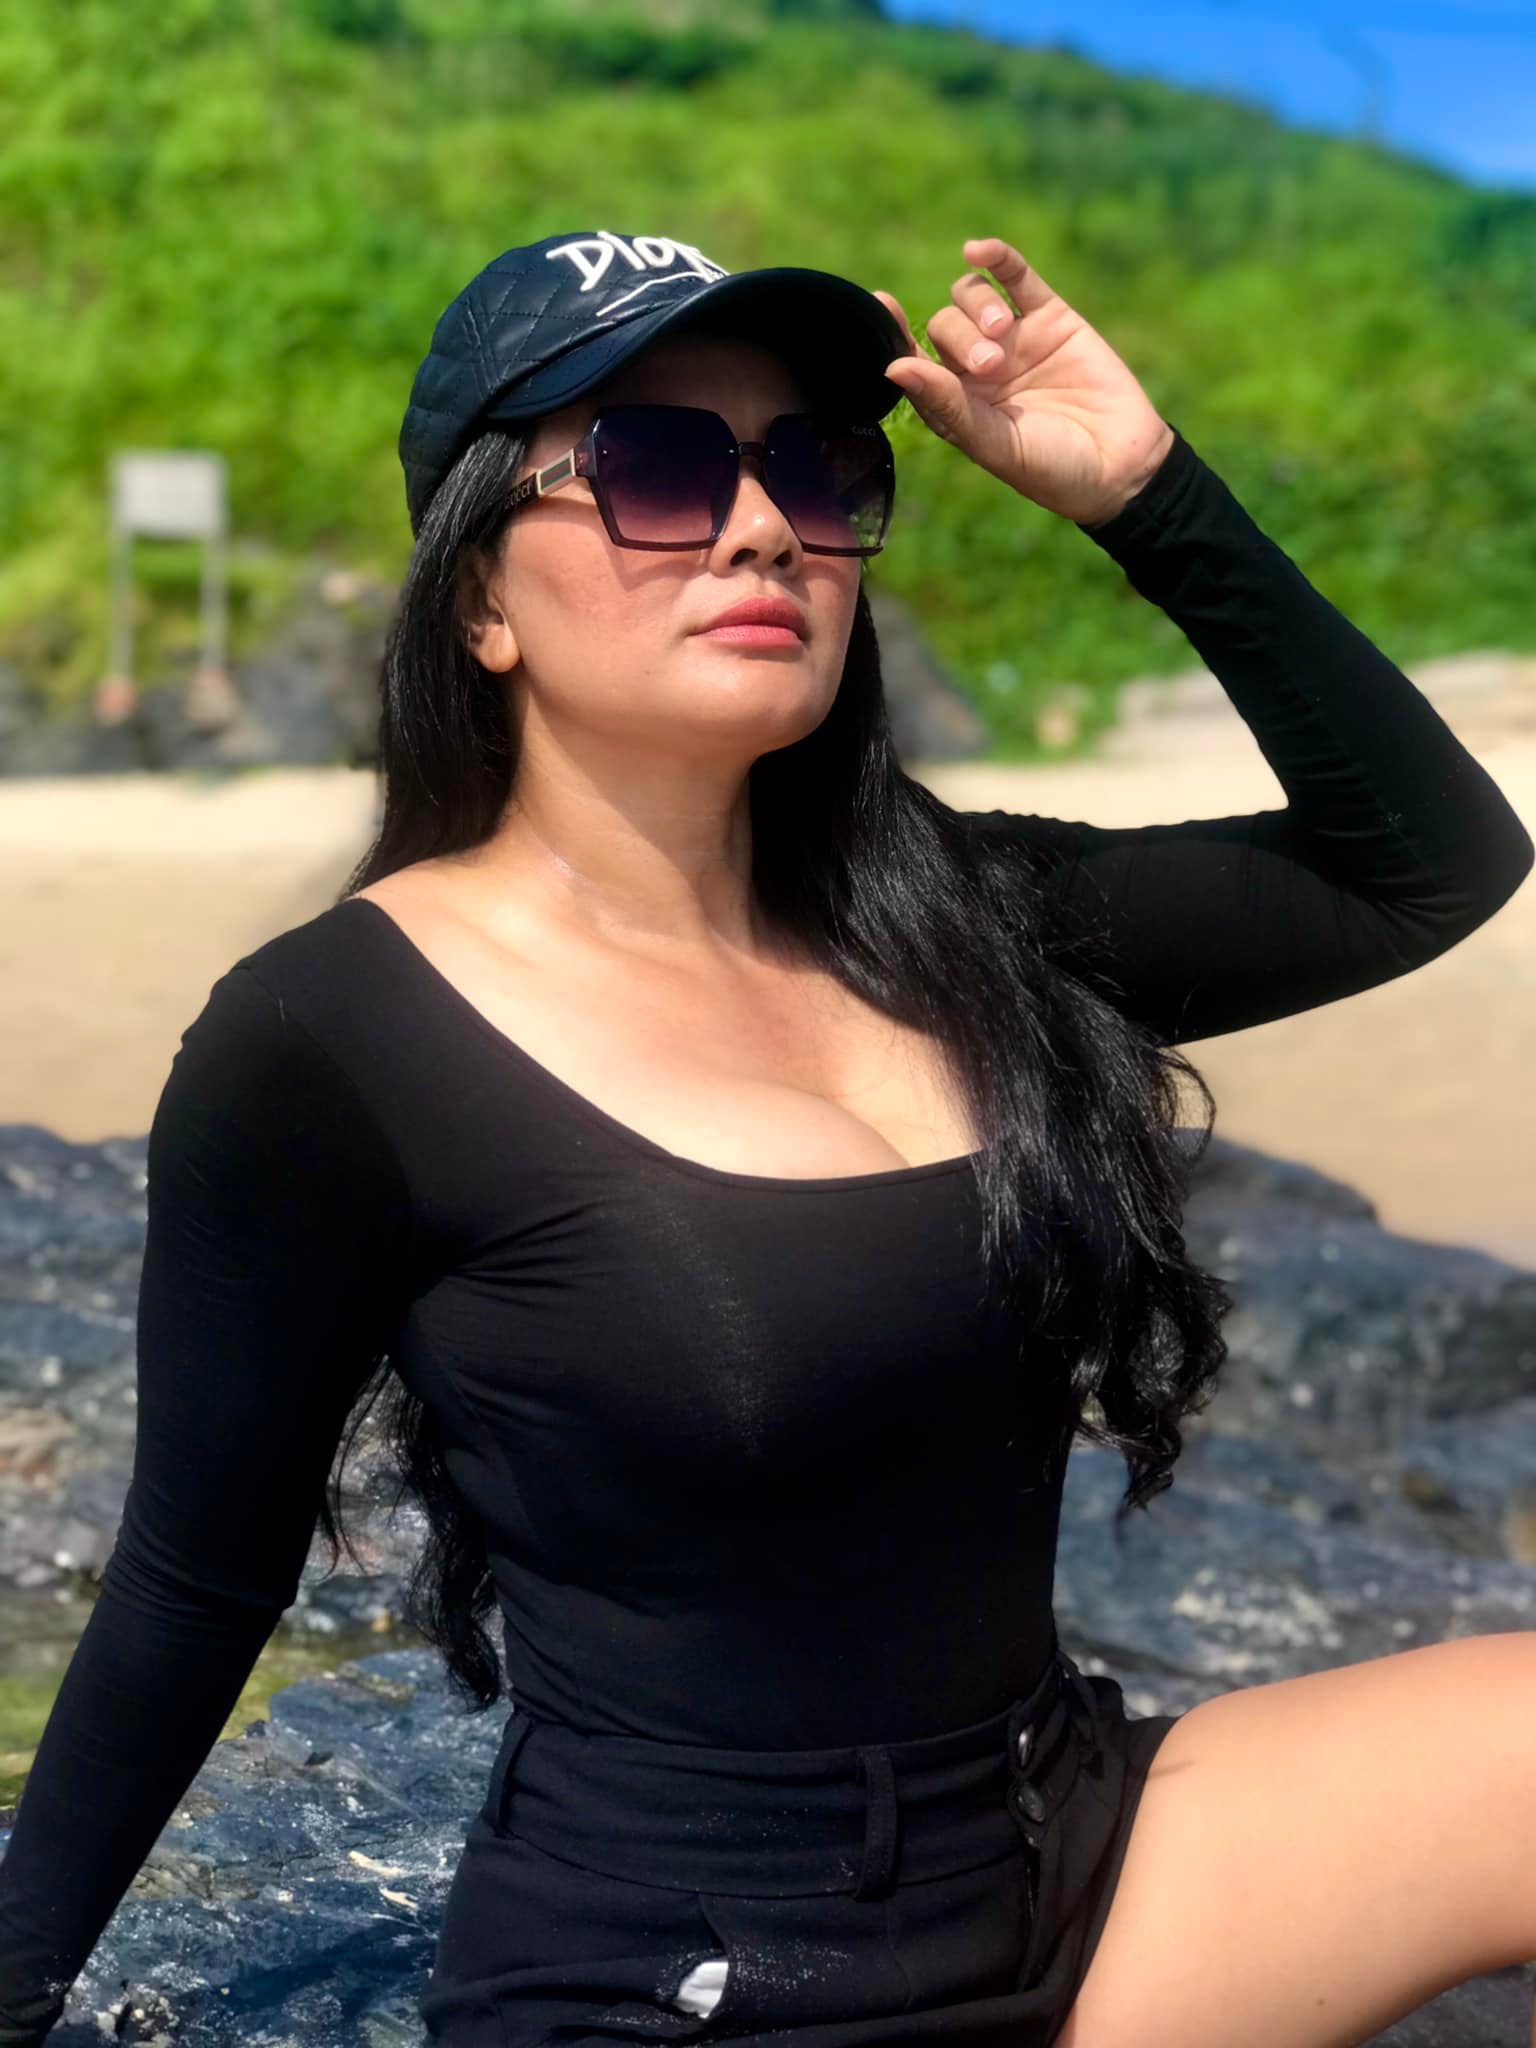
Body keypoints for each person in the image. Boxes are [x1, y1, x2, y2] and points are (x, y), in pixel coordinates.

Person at [1, 225, 1533, 2048]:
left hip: (1079, 1853)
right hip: (701, 1972)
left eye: (813, 471)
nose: (759, 529)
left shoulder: (963, 919)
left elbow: (1427, 864)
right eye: (656, 466)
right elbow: (196, 1580)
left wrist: (1145, 494)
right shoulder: (333, 1033)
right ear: (481, 597)